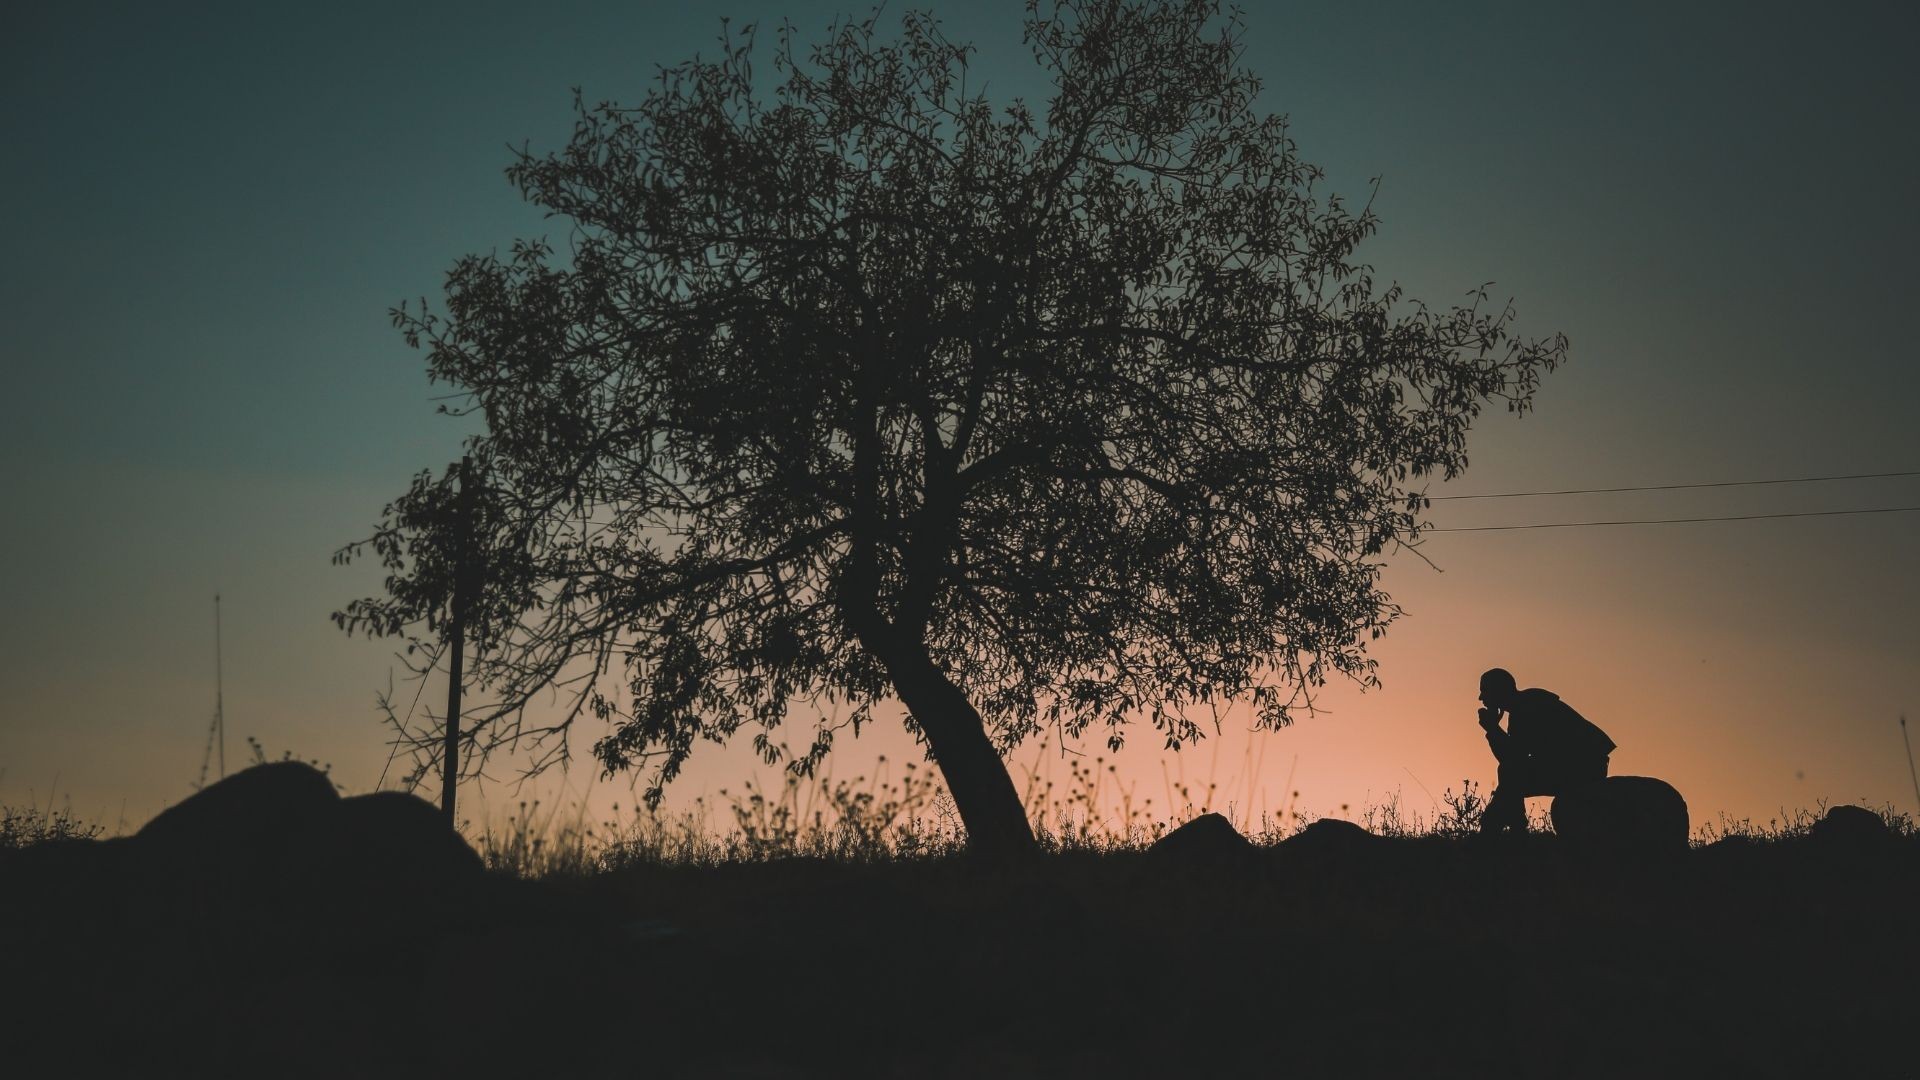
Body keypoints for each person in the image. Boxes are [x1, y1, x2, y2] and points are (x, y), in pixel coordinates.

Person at [1475, 668, 1615, 834]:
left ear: (1499, 690)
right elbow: (1513, 759)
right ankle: (1509, 830)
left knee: (1510, 773)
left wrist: (1493, 729)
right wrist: (1493, 730)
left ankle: (1504, 831)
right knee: (1509, 773)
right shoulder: (1523, 707)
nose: (1481, 698)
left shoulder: (1530, 706)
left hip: (1583, 767)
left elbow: (1513, 759)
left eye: (1485, 691)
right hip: (1575, 765)